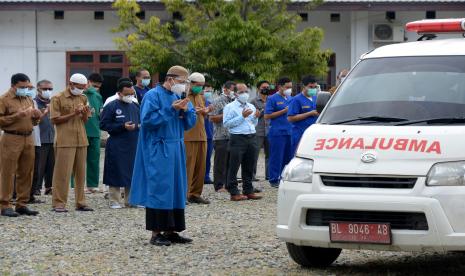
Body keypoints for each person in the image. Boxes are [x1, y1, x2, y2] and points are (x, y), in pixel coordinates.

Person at [129, 65, 196, 246]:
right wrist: (171, 110)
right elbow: (148, 121)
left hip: (176, 146)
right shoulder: (152, 95)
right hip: (159, 147)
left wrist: (186, 111)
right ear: (170, 79)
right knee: (160, 187)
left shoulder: (177, 96)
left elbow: (188, 124)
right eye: (182, 82)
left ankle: (172, 230)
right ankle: (156, 233)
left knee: (176, 188)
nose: (183, 86)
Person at [50, 73, 93, 213]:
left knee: (81, 173)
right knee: (62, 173)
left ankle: (81, 202)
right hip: (65, 140)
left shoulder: (83, 97)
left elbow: (85, 120)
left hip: (81, 139)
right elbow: (54, 119)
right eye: (79, 87)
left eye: (83, 87)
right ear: (71, 84)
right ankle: (59, 203)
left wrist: (85, 113)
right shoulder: (57, 98)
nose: (81, 90)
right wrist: (74, 113)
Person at [0, 73, 41, 217]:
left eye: (27, 86)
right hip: (11, 137)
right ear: (13, 86)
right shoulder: (4, 99)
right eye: (22, 87)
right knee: (8, 172)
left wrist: (37, 117)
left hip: (28, 137)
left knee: (26, 171)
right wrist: (17, 116)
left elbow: (34, 122)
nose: (25, 89)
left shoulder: (28, 98)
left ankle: (22, 204)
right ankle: (5, 205)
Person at [100, 78, 140, 209]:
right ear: (120, 93)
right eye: (127, 94)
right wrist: (122, 126)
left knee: (132, 171)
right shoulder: (111, 105)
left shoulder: (135, 106)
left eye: (131, 94)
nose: (130, 96)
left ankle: (131, 200)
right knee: (115, 170)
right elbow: (104, 124)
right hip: (117, 143)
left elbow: (141, 122)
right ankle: (114, 200)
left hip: (133, 143)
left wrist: (138, 126)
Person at [223, 83, 262, 201]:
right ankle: (233, 191)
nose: (244, 94)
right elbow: (226, 124)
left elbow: (253, 124)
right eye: (241, 92)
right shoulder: (230, 107)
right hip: (237, 138)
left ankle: (248, 189)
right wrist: (242, 116)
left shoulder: (251, 106)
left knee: (250, 164)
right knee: (234, 166)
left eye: (246, 91)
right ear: (235, 94)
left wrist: (255, 117)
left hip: (251, 137)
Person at [184, 72, 211, 204]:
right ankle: (184, 194)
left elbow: (203, 112)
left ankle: (195, 194)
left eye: (202, 86)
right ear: (191, 83)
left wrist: (205, 111)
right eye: (198, 85)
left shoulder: (200, 96)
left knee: (201, 167)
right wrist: (195, 111)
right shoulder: (183, 96)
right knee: (188, 167)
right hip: (188, 136)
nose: (200, 88)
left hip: (201, 135)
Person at [264, 77, 293, 188]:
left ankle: (285, 178)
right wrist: (283, 111)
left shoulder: (291, 98)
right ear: (280, 87)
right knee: (277, 156)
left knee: (288, 157)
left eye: (290, 87)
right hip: (277, 132)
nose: (289, 89)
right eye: (287, 87)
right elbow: (267, 116)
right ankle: (274, 179)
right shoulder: (272, 98)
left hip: (289, 132)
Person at [209, 81, 235, 192]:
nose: (235, 92)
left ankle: (229, 184)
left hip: (234, 135)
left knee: (231, 162)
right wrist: (227, 115)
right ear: (225, 89)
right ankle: (219, 185)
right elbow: (212, 118)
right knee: (221, 162)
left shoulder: (236, 101)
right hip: (221, 135)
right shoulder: (217, 101)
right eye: (233, 90)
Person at [31, 80, 55, 197]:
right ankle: (36, 188)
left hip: (53, 138)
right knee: (39, 165)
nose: (48, 91)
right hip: (40, 138)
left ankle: (49, 187)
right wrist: (45, 112)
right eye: (45, 89)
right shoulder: (34, 103)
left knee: (52, 164)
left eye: (50, 89)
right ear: (38, 89)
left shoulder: (54, 102)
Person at [287, 75, 320, 154]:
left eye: (315, 87)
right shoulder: (296, 99)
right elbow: (290, 118)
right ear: (304, 86)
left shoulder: (316, 98)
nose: (313, 89)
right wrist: (309, 113)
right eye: (310, 87)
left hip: (314, 135)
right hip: (300, 134)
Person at [83, 73, 104, 193]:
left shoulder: (98, 96)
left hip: (95, 131)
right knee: (78, 160)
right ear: (88, 82)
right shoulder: (81, 94)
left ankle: (92, 185)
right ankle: (74, 185)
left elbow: (100, 113)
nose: (95, 88)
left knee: (94, 160)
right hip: (82, 131)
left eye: (98, 86)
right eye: (94, 85)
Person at [250, 80, 270, 182]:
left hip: (270, 130)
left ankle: (269, 175)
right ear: (258, 89)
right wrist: (263, 110)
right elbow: (251, 116)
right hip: (258, 130)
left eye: (267, 87)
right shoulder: (253, 101)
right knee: (254, 154)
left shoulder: (271, 100)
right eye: (264, 87)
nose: (266, 89)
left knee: (269, 154)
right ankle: (252, 175)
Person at [202, 83, 214, 185]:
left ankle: (206, 176)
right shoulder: (198, 102)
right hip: (200, 134)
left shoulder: (210, 103)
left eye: (210, 91)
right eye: (207, 91)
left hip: (209, 134)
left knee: (208, 157)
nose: (208, 93)